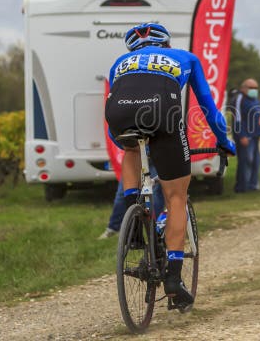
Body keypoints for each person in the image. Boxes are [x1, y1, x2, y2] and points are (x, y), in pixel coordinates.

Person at [104, 22, 235, 309]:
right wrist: (224, 140)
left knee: (130, 148)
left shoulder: (119, 62)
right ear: (165, 43)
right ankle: (173, 281)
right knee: (176, 197)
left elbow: (112, 102)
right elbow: (208, 109)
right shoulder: (185, 57)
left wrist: (130, 143)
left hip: (120, 115)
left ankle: (133, 221)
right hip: (163, 112)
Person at [232, 78, 260, 192]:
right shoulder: (239, 98)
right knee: (246, 161)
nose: (254, 90)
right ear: (243, 88)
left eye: (256, 88)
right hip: (245, 136)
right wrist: (242, 135)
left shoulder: (254, 99)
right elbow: (237, 118)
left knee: (256, 161)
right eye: (251, 88)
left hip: (255, 135)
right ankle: (242, 187)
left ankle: (253, 185)